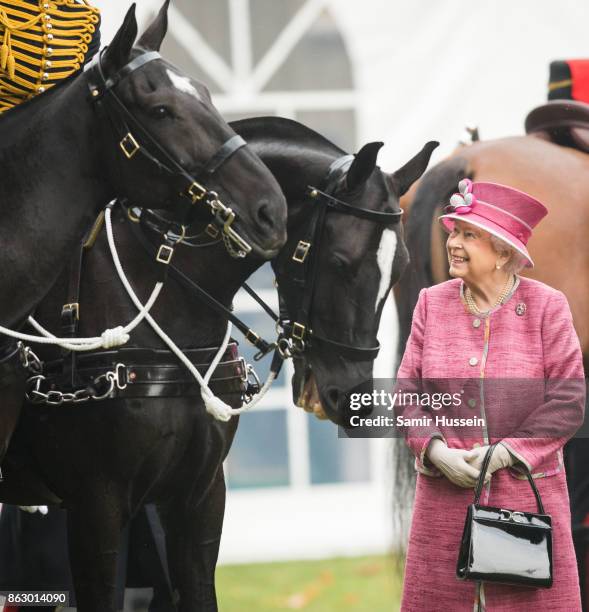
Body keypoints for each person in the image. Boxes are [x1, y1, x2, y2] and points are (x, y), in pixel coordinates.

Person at [396, 178, 586, 610]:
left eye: (469, 235)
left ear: (504, 252)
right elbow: (408, 392)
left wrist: (504, 453)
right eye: (454, 233)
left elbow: (568, 402)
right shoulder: (431, 302)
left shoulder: (547, 307)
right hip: (442, 508)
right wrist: (435, 450)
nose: (453, 244)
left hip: (525, 505)